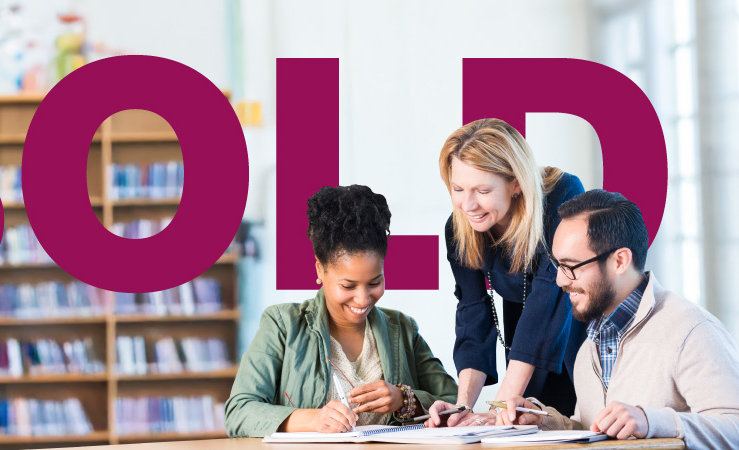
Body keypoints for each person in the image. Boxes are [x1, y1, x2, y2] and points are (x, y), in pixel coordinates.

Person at [498, 189, 739, 449]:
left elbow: (734, 427)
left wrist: (651, 421)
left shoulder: (693, 331)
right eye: (557, 265)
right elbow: (595, 431)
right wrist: (544, 421)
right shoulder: (589, 345)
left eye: (570, 266)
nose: (560, 280)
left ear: (620, 261)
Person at [224, 185, 458, 437]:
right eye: (348, 286)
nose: (363, 298)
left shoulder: (402, 328)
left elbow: (456, 403)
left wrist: (405, 399)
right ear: (319, 270)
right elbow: (239, 411)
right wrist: (313, 420)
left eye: (375, 282)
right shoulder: (283, 325)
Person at [428, 118, 585, 427]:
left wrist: (498, 407)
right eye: (458, 189)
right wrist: (462, 407)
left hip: (579, 325)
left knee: (577, 421)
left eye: (482, 190)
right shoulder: (460, 228)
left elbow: (547, 302)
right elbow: (473, 316)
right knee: (522, 424)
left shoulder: (563, 195)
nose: (467, 205)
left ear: (516, 183)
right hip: (524, 333)